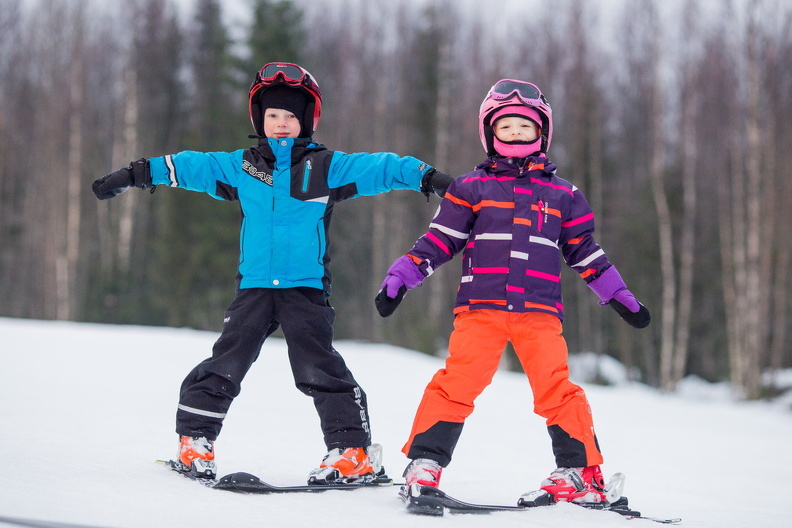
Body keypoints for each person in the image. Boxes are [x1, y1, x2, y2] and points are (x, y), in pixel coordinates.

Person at [92, 62, 452, 484]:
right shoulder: (245, 167)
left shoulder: (325, 167)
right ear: (259, 120)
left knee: (318, 368)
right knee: (227, 361)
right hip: (255, 288)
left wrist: (429, 177)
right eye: (272, 116)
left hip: (305, 289)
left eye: (290, 117)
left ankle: (353, 452)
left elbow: (384, 167)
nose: (281, 124)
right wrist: (135, 174)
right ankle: (194, 441)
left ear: (307, 121)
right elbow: (191, 166)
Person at [376, 78, 650, 505]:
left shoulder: (564, 195)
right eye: (506, 128)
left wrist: (618, 295)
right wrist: (403, 275)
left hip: (539, 312)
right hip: (479, 309)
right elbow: (439, 241)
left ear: (542, 133)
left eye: (526, 128)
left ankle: (581, 473)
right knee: (456, 384)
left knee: (556, 388)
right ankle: (425, 465)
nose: (517, 135)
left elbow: (585, 252)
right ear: (490, 134)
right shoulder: (470, 189)